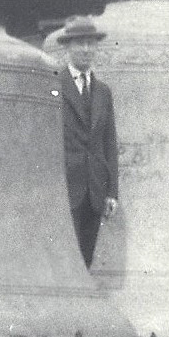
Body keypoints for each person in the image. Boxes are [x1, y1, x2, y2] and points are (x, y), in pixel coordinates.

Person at [53, 16, 117, 267]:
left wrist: (112, 192)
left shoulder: (103, 91)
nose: (86, 50)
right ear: (68, 48)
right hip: (65, 187)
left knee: (86, 259)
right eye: (80, 44)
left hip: (95, 189)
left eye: (91, 44)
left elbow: (109, 141)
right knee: (65, 261)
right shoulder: (54, 84)